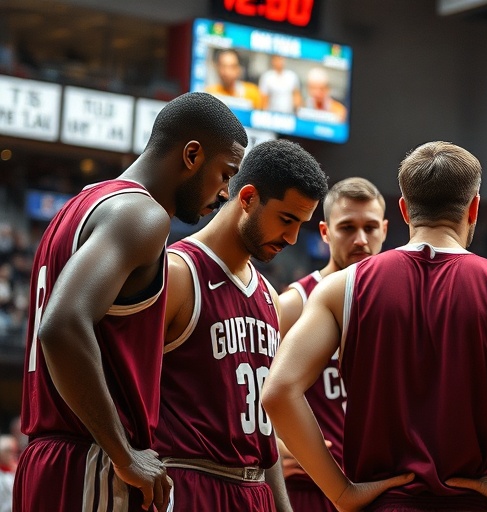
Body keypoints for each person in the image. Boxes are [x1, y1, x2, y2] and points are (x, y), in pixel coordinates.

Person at [261, 141, 487, 511]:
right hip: (468, 503)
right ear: (474, 207)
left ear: (403, 210)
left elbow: (278, 392)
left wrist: (342, 492)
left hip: (380, 504)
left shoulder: (340, 288)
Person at [13, 91, 248, 511]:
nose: (226, 192)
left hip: (46, 460)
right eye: (225, 173)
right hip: (91, 460)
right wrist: (124, 454)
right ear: (192, 155)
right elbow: (61, 326)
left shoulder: (81, 204)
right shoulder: (142, 215)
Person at [153, 139, 329, 511]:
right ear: (247, 198)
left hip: (255, 492)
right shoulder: (178, 273)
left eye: (301, 224)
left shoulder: (269, 295)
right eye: (286, 219)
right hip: (189, 482)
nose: (293, 238)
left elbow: (265, 432)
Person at [276, 177, 388, 511]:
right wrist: (270, 444)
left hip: (377, 487)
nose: (361, 240)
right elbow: (244, 389)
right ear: (325, 232)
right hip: (312, 490)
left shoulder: (394, 302)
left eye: (370, 228)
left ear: (384, 229)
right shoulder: (294, 304)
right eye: (347, 228)